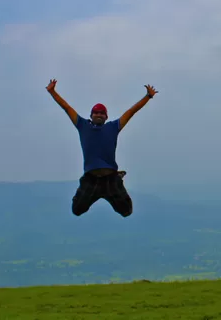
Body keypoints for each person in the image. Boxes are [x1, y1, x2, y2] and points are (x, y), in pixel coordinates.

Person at [46, 79, 157, 217]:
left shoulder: (113, 127)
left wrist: (148, 96)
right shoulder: (82, 125)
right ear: (91, 116)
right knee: (77, 210)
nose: (99, 115)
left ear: (106, 117)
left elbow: (131, 112)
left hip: (110, 178)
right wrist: (52, 91)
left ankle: (117, 178)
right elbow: (67, 108)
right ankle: (99, 188)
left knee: (127, 211)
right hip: (91, 179)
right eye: (96, 113)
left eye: (102, 113)